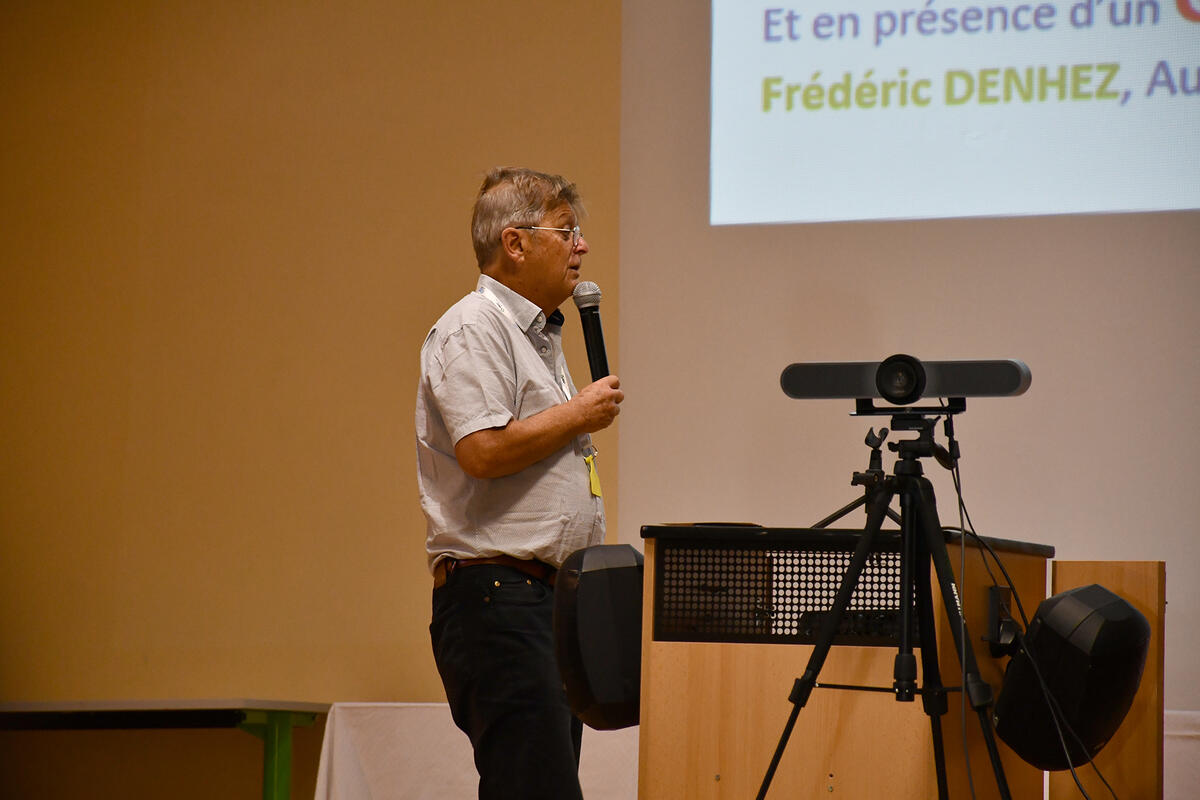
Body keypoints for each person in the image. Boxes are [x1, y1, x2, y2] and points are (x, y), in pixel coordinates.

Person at [415, 167, 623, 799]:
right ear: (515, 243)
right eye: (567, 232)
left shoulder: (535, 335)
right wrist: (579, 413)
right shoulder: (474, 326)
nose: (582, 246)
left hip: (547, 603)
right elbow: (481, 451)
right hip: (498, 600)